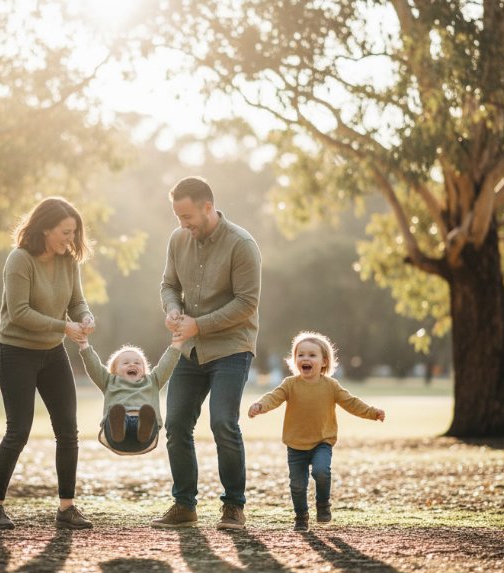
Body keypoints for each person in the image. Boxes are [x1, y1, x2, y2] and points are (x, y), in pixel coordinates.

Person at [151, 176, 261, 531]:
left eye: (187, 216)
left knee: (223, 423)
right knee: (177, 424)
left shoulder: (242, 244)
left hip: (231, 346)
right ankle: (184, 506)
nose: (183, 225)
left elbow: (247, 303)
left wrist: (199, 324)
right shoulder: (178, 239)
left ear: (207, 207)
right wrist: (172, 309)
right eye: (178, 217)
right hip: (191, 349)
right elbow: (169, 284)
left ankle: (233, 507)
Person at [0, 197, 95, 530]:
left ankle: (66, 508)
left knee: (68, 431)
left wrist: (85, 316)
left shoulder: (68, 262)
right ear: (45, 229)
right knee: (18, 431)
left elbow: (76, 301)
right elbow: (19, 313)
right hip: (17, 351)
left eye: (74, 233)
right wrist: (64, 326)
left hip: (52, 352)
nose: (71, 239)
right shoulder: (19, 260)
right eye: (65, 232)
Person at [248, 331, 385, 530]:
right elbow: (273, 397)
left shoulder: (331, 386)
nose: (306, 358)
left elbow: (351, 403)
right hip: (295, 445)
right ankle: (301, 517)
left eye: (312, 355)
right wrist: (260, 406)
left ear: (324, 362)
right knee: (297, 485)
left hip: (322, 441)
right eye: (301, 354)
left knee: (321, 472)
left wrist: (372, 412)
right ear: (295, 360)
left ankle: (323, 504)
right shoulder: (290, 384)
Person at [77, 333, 184, 455]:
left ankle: (143, 427)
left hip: (145, 438)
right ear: (114, 370)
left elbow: (167, 364)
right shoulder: (108, 381)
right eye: (126, 363)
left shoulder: (153, 380)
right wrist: (84, 345)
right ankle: (119, 427)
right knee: (117, 414)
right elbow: (93, 366)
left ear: (144, 369)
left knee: (146, 415)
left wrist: (176, 344)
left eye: (138, 363)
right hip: (115, 436)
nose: (132, 364)